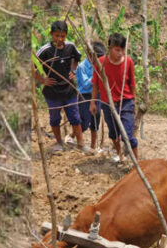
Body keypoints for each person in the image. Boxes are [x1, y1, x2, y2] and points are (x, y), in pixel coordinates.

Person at [33, 20, 89, 154]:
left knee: (75, 117)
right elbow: (32, 65)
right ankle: (59, 143)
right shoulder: (45, 50)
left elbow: (77, 58)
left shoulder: (70, 46)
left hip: (69, 90)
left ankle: (81, 143)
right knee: (54, 118)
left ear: (66, 35)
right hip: (52, 92)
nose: (59, 39)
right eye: (56, 35)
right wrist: (42, 80)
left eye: (62, 36)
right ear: (51, 34)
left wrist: (73, 70)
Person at [90, 33, 138, 162]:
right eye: (117, 49)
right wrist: (93, 102)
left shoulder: (128, 62)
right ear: (110, 48)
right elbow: (95, 84)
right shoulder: (100, 63)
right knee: (113, 133)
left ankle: (137, 162)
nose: (120, 53)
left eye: (123, 49)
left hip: (126, 102)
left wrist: (135, 103)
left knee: (127, 135)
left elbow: (132, 84)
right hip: (107, 104)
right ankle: (121, 155)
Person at [68, 41, 106, 153]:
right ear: (89, 55)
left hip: (96, 95)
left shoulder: (100, 66)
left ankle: (93, 146)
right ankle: (72, 135)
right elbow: (85, 84)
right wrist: (97, 78)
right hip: (84, 96)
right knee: (84, 123)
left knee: (96, 118)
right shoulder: (82, 67)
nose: (99, 61)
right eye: (96, 58)